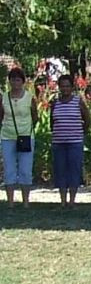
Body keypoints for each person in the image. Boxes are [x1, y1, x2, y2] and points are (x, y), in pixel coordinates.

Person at [50, 74, 91, 207]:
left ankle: (72, 201)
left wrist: (82, 132)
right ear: (59, 88)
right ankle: (62, 201)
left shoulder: (78, 101)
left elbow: (87, 118)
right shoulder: (55, 103)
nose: (65, 89)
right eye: (62, 86)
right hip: (58, 142)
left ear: (72, 87)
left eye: (67, 86)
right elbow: (52, 121)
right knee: (60, 170)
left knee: (74, 170)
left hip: (75, 142)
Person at [0, 67, 38, 207]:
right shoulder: (4, 97)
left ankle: (26, 201)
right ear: (9, 81)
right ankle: (10, 202)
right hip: (7, 136)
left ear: (23, 81)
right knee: (9, 169)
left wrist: (27, 129)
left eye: (18, 79)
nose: (15, 82)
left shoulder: (29, 97)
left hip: (26, 136)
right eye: (13, 79)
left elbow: (35, 116)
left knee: (25, 169)